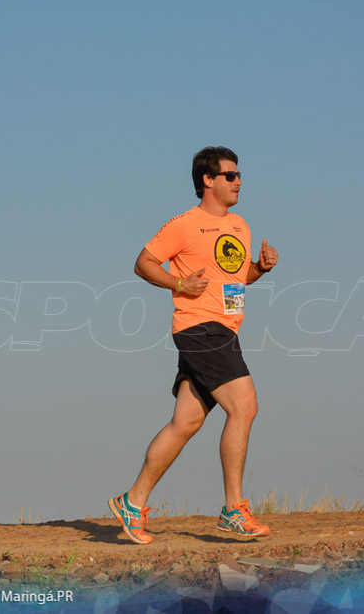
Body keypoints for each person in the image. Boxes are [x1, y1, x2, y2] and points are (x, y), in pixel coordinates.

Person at [109, 146, 278, 544]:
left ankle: (132, 502)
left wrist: (260, 268)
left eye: (239, 175)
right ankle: (234, 510)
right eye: (231, 175)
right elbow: (144, 262)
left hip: (224, 329)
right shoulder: (185, 224)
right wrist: (179, 283)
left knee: (186, 422)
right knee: (245, 406)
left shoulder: (240, 226)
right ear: (208, 180)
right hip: (200, 328)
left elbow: (237, 280)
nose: (239, 181)